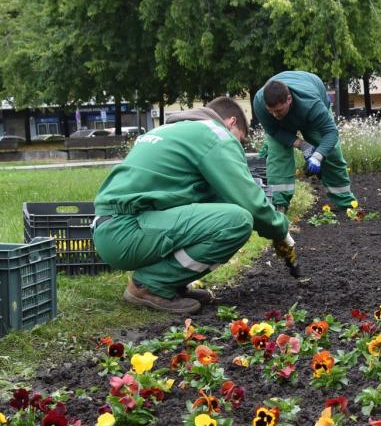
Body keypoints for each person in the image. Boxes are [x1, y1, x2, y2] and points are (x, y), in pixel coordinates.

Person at [92, 96, 297, 315]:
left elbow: (208, 199)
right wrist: (280, 230)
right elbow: (250, 204)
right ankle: (150, 285)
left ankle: (172, 284)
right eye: (240, 140)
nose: (238, 147)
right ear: (231, 123)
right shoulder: (214, 134)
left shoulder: (174, 131)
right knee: (237, 222)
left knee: (222, 213)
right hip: (126, 229)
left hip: (114, 227)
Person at [254, 71, 356, 213]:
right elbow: (274, 132)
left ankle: (346, 203)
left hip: (310, 108)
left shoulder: (311, 104)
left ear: (289, 99)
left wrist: (317, 156)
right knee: (278, 157)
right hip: (281, 128)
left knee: (331, 154)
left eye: (278, 110)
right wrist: (304, 145)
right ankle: (279, 206)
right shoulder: (260, 103)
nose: (275, 115)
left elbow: (331, 133)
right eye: (271, 111)